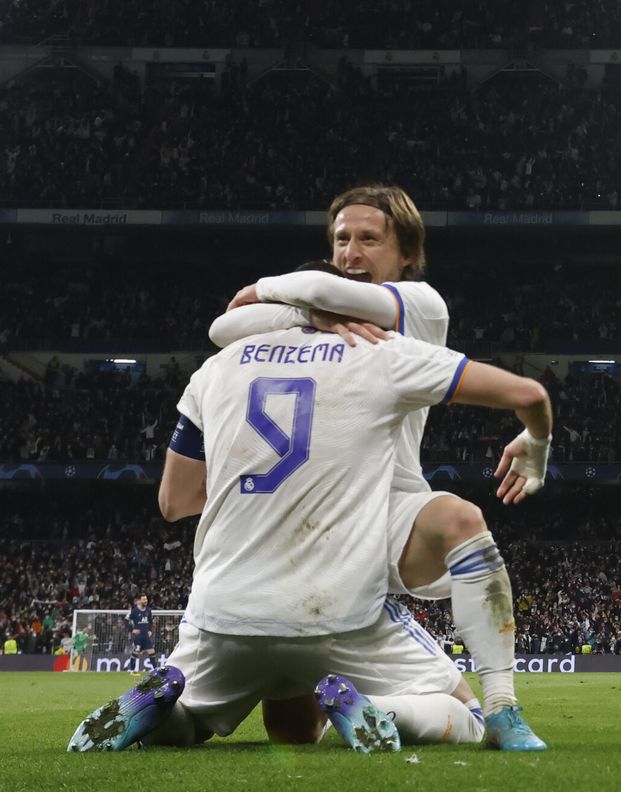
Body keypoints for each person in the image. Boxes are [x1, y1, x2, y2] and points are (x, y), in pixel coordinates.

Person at [67, 305, 554, 753]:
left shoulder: (217, 367)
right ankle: (384, 711)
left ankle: (162, 710)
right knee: (467, 713)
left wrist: (247, 492)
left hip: (223, 614)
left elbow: (173, 502)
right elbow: (526, 393)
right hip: (333, 609)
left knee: (255, 727)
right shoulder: (373, 352)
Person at [209, 185, 547, 751]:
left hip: (388, 508)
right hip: (309, 514)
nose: (351, 252)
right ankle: (380, 709)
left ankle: (503, 706)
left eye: (369, 239)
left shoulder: (420, 304)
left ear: (407, 254)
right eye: (341, 239)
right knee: (293, 732)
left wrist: (274, 294)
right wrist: (307, 312)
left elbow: (278, 300)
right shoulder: (313, 322)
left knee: (459, 519)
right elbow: (227, 325)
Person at [126, 594, 154, 673]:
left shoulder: (148, 610)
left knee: (152, 652)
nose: (145, 601)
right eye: (144, 599)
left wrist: (150, 630)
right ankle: (132, 670)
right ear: (139, 601)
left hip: (146, 635)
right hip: (138, 636)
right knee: (137, 650)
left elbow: (150, 621)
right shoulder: (134, 611)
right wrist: (132, 630)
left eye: (146, 599)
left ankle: (156, 670)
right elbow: (126, 620)